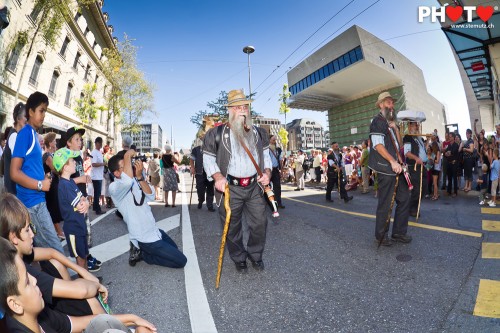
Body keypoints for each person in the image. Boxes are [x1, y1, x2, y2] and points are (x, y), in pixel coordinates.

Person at [0, 237, 157, 333]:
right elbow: (82, 291)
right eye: (27, 281)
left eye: (30, 274)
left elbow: (85, 322)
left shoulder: (40, 317)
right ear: (14, 304)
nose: (35, 280)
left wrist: (133, 318)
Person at [0, 193, 107, 316]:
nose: (32, 235)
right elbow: (83, 291)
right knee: (91, 301)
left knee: (55, 262)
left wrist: (83, 272)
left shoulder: (13, 251)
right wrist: (96, 285)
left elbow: (51, 253)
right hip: (42, 318)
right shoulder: (22, 272)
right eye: (27, 230)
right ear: (13, 237)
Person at [203, 89, 272, 272]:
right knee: (232, 227)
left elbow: (267, 158)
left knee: (260, 223)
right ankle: (239, 257)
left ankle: (255, 255)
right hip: (230, 189)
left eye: (245, 106)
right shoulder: (215, 134)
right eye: (237, 107)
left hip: (254, 187)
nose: (242, 110)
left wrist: (267, 174)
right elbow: (208, 159)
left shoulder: (260, 133)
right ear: (230, 110)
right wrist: (217, 177)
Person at [108, 148, 187, 268]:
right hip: (144, 237)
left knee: (174, 250)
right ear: (117, 173)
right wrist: (128, 154)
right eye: (126, 166)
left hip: (154, 231)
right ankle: (144, 255)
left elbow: (150, 196)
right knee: (181, 261)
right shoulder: (114, 188)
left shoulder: (134, 179)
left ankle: (144, 252)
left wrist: (140, 178)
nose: (131, 167)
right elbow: (127, 182)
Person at [10, 91, 64, 254]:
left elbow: (30, 168)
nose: (44, 115)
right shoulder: (25, 134)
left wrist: (44, 177)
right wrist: (40, 184)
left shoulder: (33, 134)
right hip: (32, 203)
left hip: (36, 201)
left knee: (45, 253)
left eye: (45, 111)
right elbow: (14, 172)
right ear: (31, 111)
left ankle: (56, 279)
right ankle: (69, 280)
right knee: (56, 251)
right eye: (41, 110)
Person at [368, 91, 411, 246]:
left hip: (398, 168)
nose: (391, 106)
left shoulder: (390, 123)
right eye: (388, 103)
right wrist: (393, 162)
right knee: (386, 203)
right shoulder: (377, 121)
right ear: (381, 105)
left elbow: (399, 145)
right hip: (386, 168)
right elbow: (378, 145)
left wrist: (396, 129)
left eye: (392, 103)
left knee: (404, 198)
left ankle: (399, 232)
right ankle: (381, 235)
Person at [42, 132, 65, 240]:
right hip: (50, 185)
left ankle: (56, 231)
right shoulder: (47, 155)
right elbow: (55, 169)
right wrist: (62, 170)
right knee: (53, 207)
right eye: (54, 141)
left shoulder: (51, 154)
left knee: (53, 207)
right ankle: (58, 232)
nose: (56, 142)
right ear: (50, 143)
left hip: (52, 183)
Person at [403, 121, 428, 217]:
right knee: (417, 189)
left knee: (424, 188)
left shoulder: (420, 138)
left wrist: (428, 141)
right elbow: (407, 153)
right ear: (409, 126)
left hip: (422, 166)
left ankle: (413, 206)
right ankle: (412, 208)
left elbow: (423, 151)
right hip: (414, 166)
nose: (416, 127)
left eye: (417, 125)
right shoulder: (408, 137)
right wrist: (417, 159)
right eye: (414, 125)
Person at [3, 102, 27, 195]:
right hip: (13, 190)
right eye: (26, 116)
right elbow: (20, 164)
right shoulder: (14, 136)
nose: (28, 119)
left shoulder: (18, 136)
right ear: (18, 119)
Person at [190, 136, 215, 211]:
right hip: (199, 173)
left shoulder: (212, 149)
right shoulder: (196, 149)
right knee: (200, 190)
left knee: (210, 190)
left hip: (210, 173)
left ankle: (210, 206)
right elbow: (191, 159)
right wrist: (193, 168)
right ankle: (200, 200)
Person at [268, 134, 285, 208]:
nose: (275, 141)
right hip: (268, 170)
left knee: (277, 187)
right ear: (269, 140)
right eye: (273, 139)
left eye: (275, 140)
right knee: (266, 187)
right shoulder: (266, 148)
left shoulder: (278, 149)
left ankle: (279, 203)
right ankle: (267, 203)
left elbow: (280, 159)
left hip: (275, 169)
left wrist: (281, 169)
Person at [91, 136, 106, 215]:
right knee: (97, 193)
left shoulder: (99, 152)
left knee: (97, 192)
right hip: (96, 176)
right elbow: (93, 164)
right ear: (96, 143)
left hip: (99, 175)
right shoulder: (94, 152)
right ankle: (98, 209)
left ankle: (95, 207)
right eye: (100, 143)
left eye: (101, 143)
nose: (100, 145)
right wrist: (102, 164)